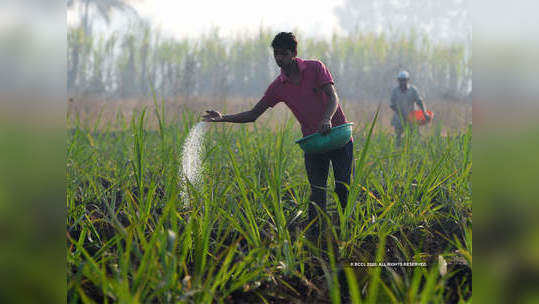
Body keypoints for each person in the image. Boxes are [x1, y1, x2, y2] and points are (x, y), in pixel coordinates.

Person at [203, 32, 353, 242]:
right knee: (317, 191)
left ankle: (343, 233)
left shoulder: (315, 68)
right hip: (315, 143)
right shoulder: (279, 86)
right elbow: (253, 114)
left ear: (294, 54)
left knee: (342, 188)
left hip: (337, 136)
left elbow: (333, 97)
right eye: (276, 54)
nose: (278, 59)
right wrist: (222, 118)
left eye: (283, 54)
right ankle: (316, 239)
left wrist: (327, 118)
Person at [390, 71, 431, 146]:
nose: (402, 82)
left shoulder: (413, 90)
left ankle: (413, 150)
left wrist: (425, 113)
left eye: (404, 80)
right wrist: (401, 114)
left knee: (414, 136)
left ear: (408, 80)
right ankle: (397, 151)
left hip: (411, 117)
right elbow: (392, 105)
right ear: (398, 80)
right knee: (398, 136)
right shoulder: (395, 91)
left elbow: (419, 102)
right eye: (401, 80)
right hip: (399, 118)